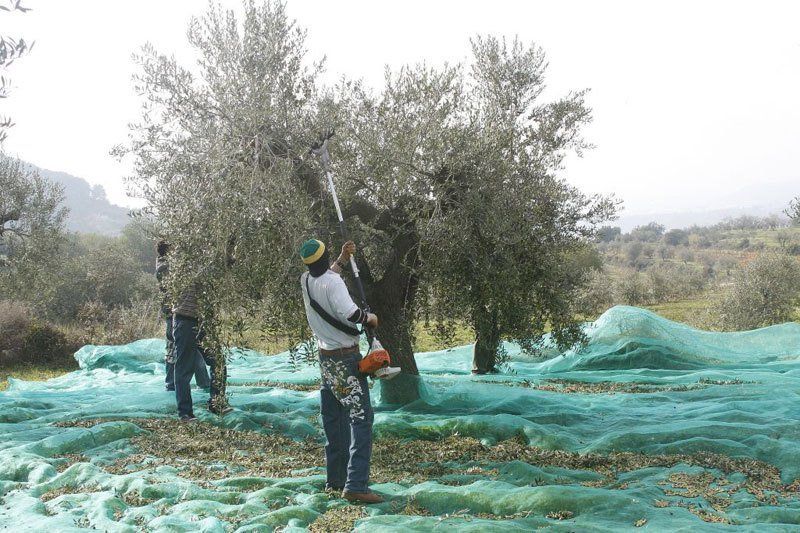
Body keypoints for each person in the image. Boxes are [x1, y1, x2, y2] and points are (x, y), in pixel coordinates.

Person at [299, 238, 383, 504]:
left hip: (326, 361)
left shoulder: (306, 280)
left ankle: (335, 480)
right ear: (323, 260)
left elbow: (326, 276)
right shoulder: (333, 283)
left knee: (334, 419)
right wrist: (370, 318)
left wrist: (343, 259)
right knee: (361, 419)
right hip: (346, 359)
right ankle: (356, 484)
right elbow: (351, 314)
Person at [155, 240, 210, 392]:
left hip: (176, 313)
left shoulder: (166, 265)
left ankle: (180, 383)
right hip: (175, 314)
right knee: (181, 348)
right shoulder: (164, 267)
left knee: (179, 348)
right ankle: (197, 382)